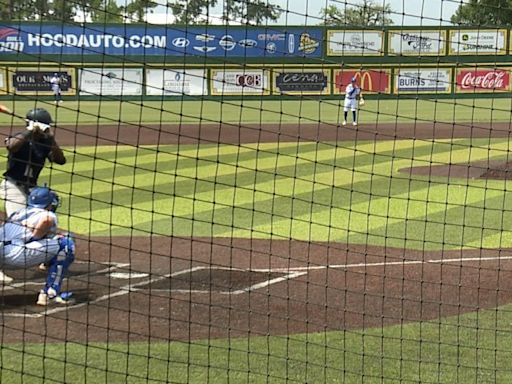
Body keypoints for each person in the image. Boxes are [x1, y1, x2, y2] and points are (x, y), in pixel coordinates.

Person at [0, 108, 66, 282]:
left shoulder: (45, 142)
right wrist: (29, 131)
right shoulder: (20, 138)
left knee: (46, 221)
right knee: (17, 225)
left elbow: (60, 160)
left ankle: (45, 257)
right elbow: (11, 146)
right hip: (14, 186)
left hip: (32, 189)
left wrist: (51, 137)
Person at [0, 186, 75, 305]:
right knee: (66, 243)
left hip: (2, 255)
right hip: (16, 256)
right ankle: (50, 293)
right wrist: (36, 236)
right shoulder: (47, 214)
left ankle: (47, 263)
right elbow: (47, 220)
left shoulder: (18, 213)